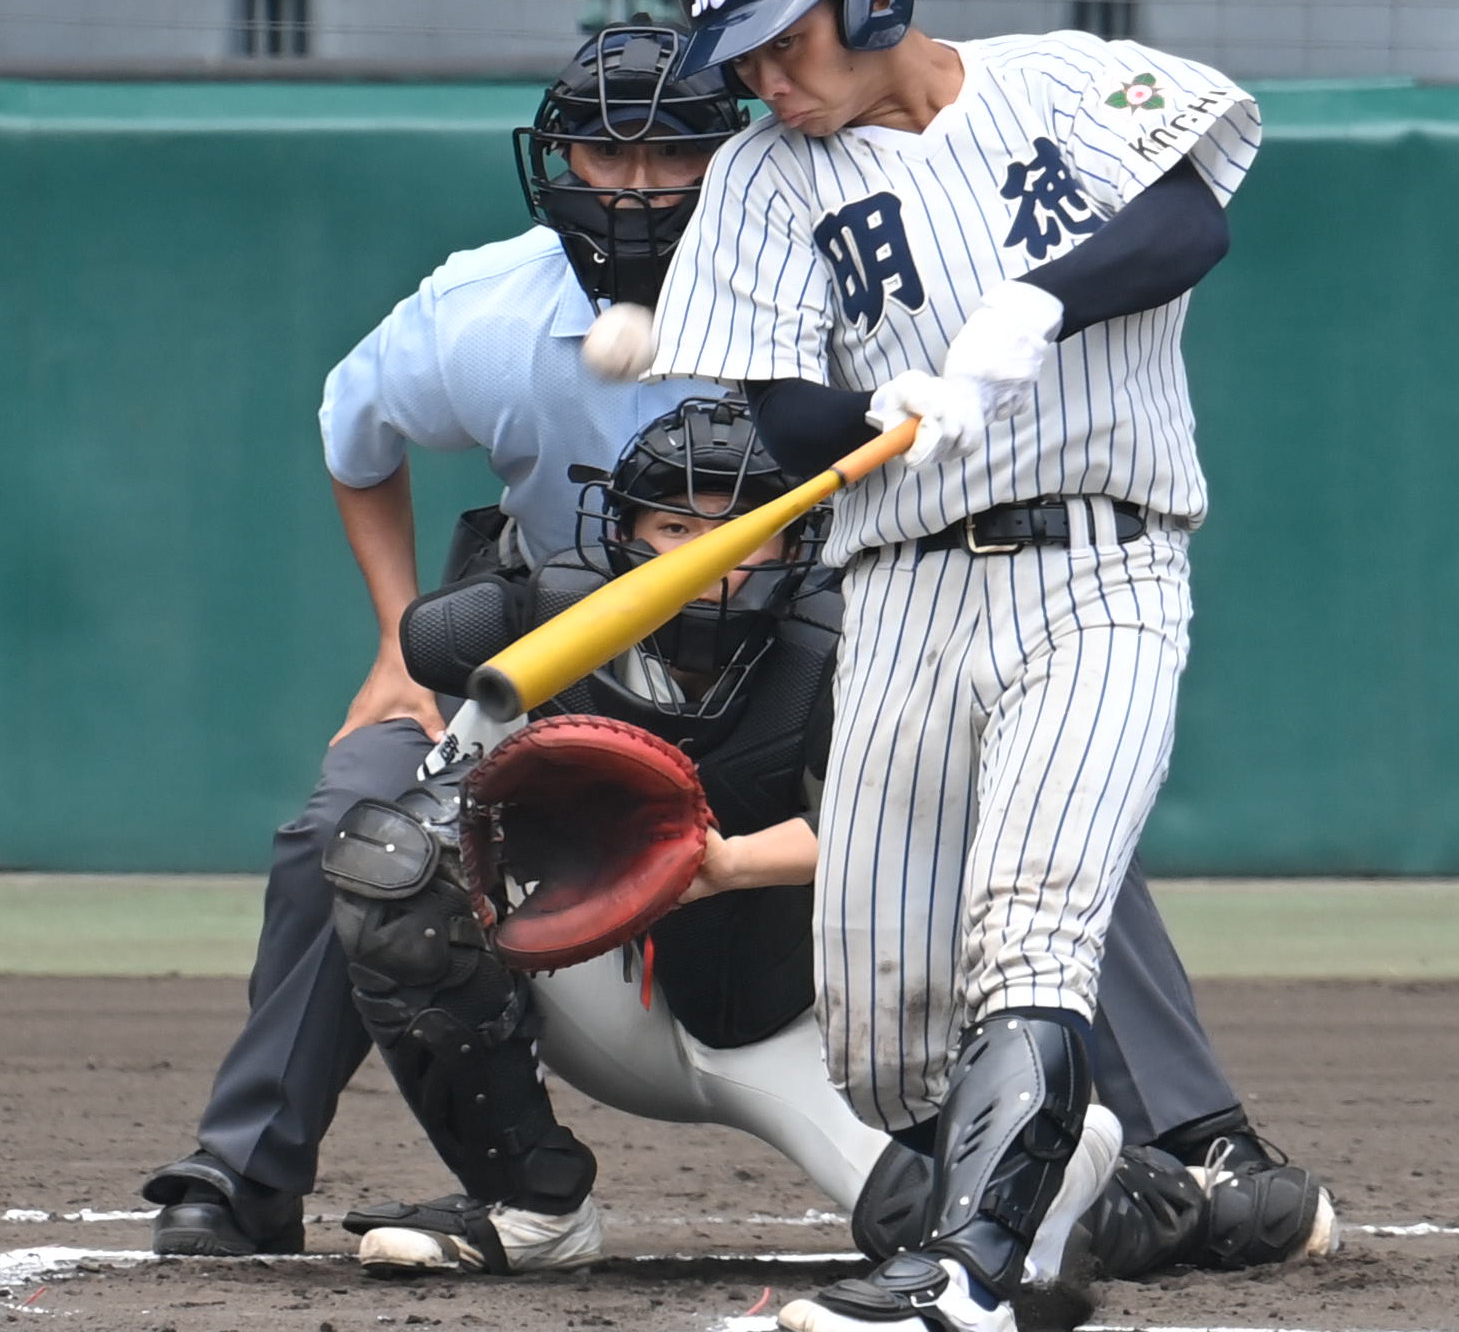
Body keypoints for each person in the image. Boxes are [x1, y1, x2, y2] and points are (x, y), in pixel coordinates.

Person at [646, 0, 1303, 1332]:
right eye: (737, 55)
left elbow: (1191, 220)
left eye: (779, 38)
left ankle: (965, 1283)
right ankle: (1086, 1192)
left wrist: (1038, 304)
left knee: (1038, 919)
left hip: (1103, 560)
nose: (763, 76)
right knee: (881, 1034)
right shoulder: (760, 179)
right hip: (901, 590)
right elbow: (770, 394)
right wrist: (860, 407)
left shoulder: (1061, 81)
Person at [141, 22, 746, 1255]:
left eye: (670, 152)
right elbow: (354, 439)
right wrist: (387, 639)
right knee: (351, 815)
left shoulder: (814, 291)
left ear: (731, 153)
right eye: (598, 151)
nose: (630, 186)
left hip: (782, 659)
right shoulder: (487, 307)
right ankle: (249, 1168)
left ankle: (1185, 1142)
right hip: (553, 665)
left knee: (1022, 783)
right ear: (553, 158)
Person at [328, 397, 1124, 1277]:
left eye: (746, 529)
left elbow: (910, 836)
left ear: (794, 543)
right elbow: (441, 808)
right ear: (622, 529)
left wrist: (726, 862)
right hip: (600, 985)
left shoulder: (849, 644)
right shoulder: (547, 617)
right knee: (393, 860)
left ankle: (1164, 1195)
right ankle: (532, 1205)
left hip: (796, 1025)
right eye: (675, 525)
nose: (709, 559)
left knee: (959, 1233)